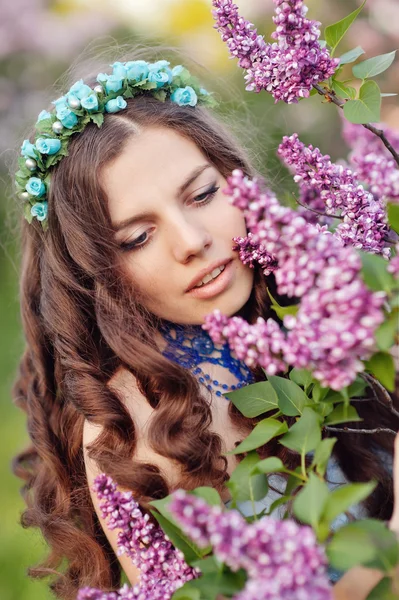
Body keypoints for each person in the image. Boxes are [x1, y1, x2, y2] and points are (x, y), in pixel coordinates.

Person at [11, 53, 399, 600]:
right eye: (137, 238)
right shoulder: (141, 422)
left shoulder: (327, 299)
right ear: (96, 272)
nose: (191, 241)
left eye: (202, 195)